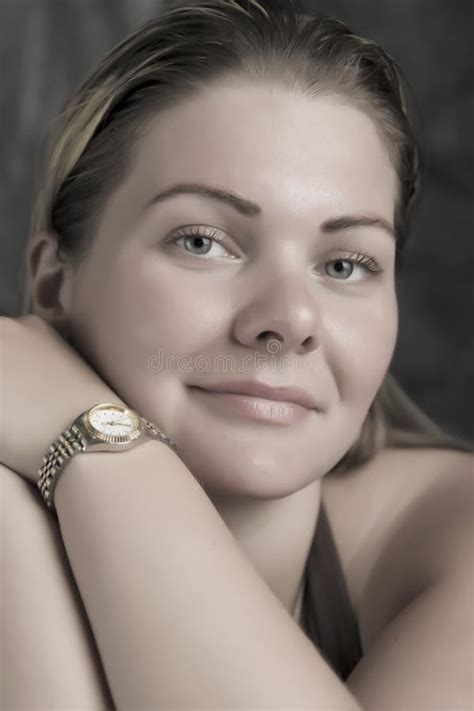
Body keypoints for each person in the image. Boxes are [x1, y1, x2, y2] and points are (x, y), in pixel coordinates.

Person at [1, 0, 472, 709]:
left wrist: (95, 436)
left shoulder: (451, 532)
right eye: (201, 241)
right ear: (53, 280)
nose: (288, 320)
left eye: (345, 263)